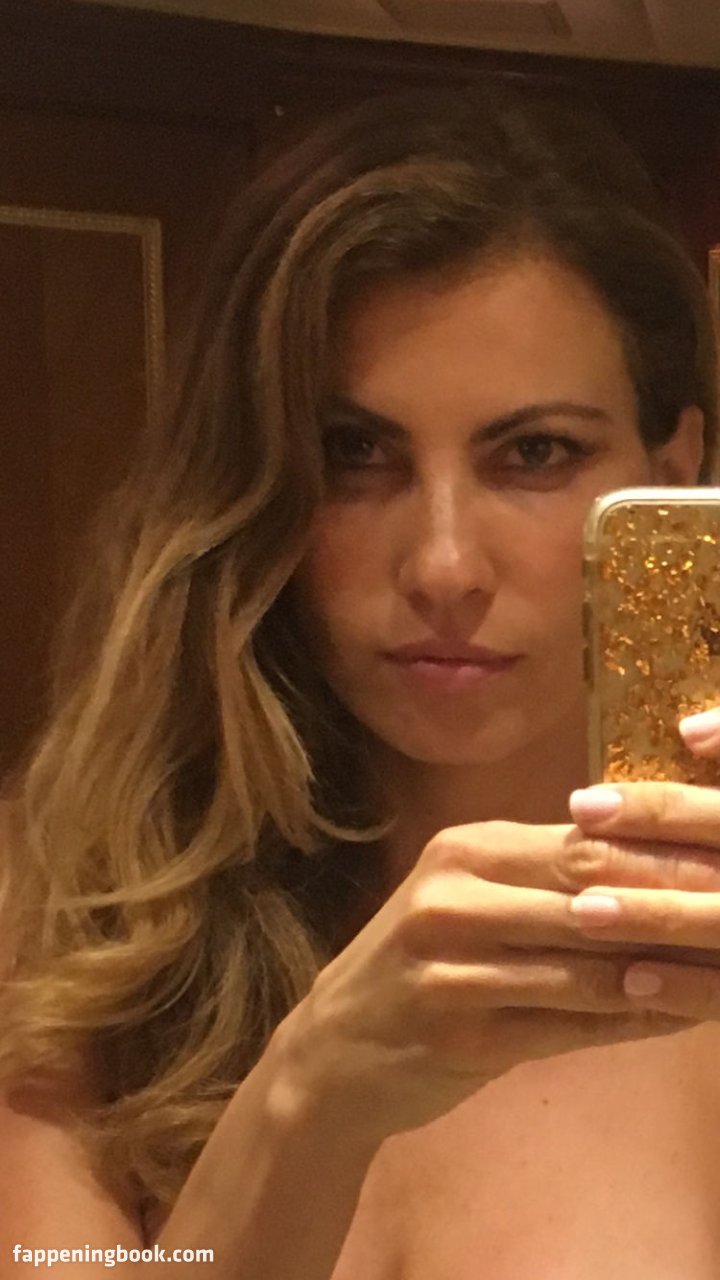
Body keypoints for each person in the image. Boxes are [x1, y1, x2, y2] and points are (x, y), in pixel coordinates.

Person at [1, 78, 720, 1278]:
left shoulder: (702, 937)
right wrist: (311, 1092)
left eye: (535, 452)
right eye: (355, 453)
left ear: (671, 468)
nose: (443, 565)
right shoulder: (76, 908)